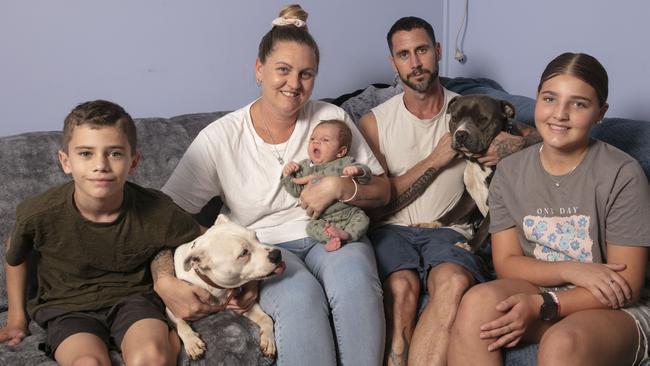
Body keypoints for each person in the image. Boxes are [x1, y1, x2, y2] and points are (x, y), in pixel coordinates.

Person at [154, 5, 389, 366]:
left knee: (356, 283)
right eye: (283, 70)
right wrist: (164, 282)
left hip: (333, 231)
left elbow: (384, 190)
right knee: (302, 301)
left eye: (306, 74)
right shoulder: (220, 138)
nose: (294, 84)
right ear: (259, 69)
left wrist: (341, 189)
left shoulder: (331, 118)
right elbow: (160, 217)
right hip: (267, 247)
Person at [358, 16, 541, 366]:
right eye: (404, 54)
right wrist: (436, 159)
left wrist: (514, 143)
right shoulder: (374, 122)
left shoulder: (471, 109)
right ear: (392, 62)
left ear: (437, 51)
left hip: (451, 231)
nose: (415, 63)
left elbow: (546, 133)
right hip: (392, 230)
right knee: (401, 290)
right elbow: (377, 202)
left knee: (455, 283)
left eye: (422, 50)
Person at [448, 52, 650, 366]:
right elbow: (506, 263)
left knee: (562, 343)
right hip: (544, 285)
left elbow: (628, 287)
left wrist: (547, 304)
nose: (560, 114)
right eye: (550, 98)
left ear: (600, 113)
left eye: (579, 104)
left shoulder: (623, 174)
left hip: (615, 306)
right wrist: (569, 270)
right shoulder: (510, 171)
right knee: (477, 303)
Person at [0, 100, 200, 365]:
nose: (101, 165)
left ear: (133, 162)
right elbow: (15, 254)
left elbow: (207, 238)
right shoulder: (39, 213)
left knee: (150, 358)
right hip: (67, 307)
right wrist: (16, 318)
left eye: (115, 153)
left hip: (133, 300)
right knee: (87, 363)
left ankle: (167, 340)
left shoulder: (157, 209)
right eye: (85, 153)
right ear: (65, 161)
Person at [281, 119, 372, 252]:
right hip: (323, 218)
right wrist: (287, 175)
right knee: (311, 228)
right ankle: (331, 239)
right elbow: (296, 190)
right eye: (313, 138)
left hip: (349, 213)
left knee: (363, 219)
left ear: (340, 152)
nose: (316, 142)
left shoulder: (344, 163)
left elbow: (366, 179)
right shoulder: (305, 167)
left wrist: (358, 171)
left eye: (325, 140)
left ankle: (347, 235)